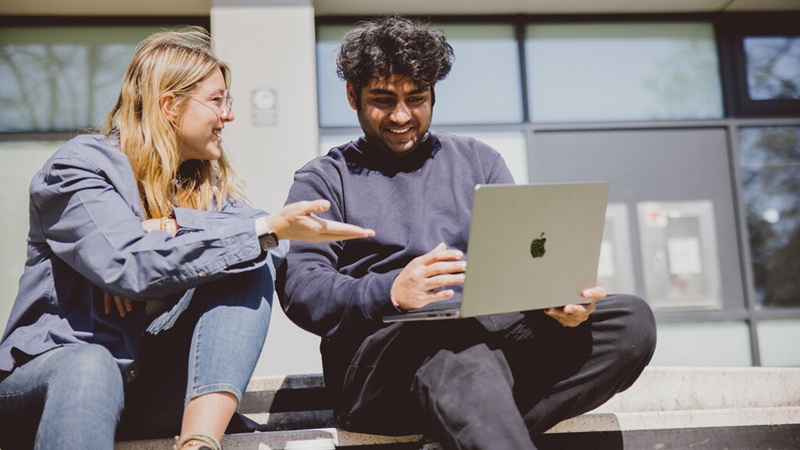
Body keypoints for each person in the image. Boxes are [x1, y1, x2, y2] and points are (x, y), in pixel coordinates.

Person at [276, 16, 657, 449]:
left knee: (630, 321)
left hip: (489, 342)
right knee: (451, 343)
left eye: (416, 99)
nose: (401, 116)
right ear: (352, 95)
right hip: (383, 367)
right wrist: (392, 292)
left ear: (433, 94)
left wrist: (555, 301)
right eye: (383, 100)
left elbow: (519, 264)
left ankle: (461, 433)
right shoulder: (325, 178)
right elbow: (301, 288)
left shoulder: (479, 160)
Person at [0, 27, 373, 450]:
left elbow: (268, 238)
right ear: (169, 106)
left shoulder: (205, 189)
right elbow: (129, 265)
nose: (228, 115)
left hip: (142, 389)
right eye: (217, 100)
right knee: (90, 364)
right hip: (50, 386)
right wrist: (162, 242)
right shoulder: (78, 169)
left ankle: (199, 442)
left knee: (249, 257)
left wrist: (169, 228)